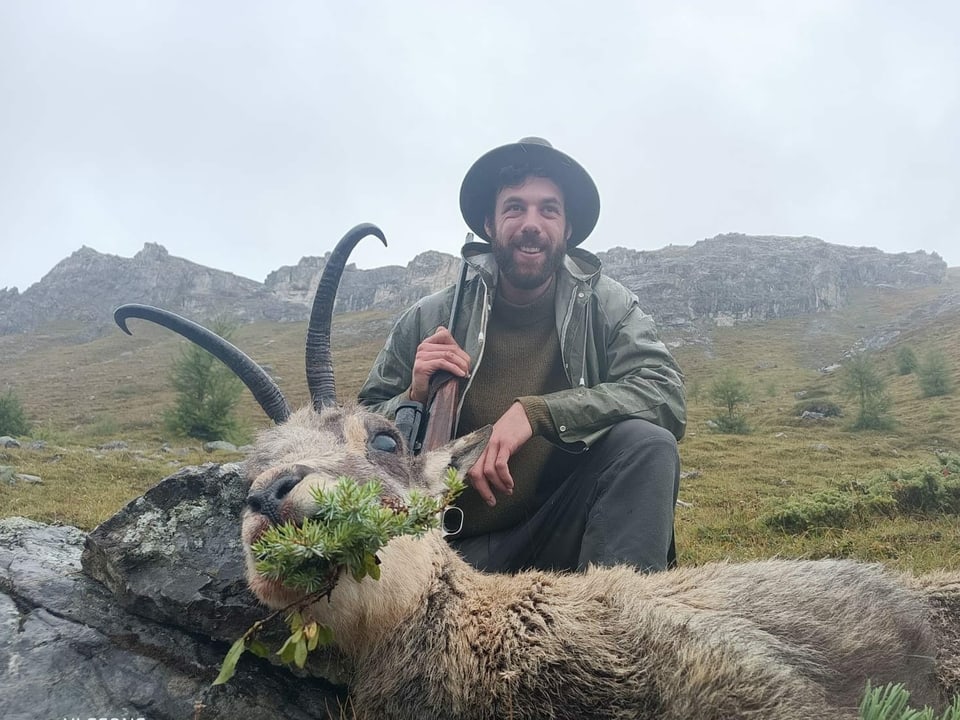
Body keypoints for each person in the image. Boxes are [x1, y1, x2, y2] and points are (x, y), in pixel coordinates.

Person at [358, 137, 686, 573]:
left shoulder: (607, 306)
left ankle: (626, 623)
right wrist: (412, 398)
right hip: (448, 551)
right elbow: (356, 427)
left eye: (548, 209)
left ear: (567, 229)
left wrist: (537, 414)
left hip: (561, 532)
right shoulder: (429, 316)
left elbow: (664, 395)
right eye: (514, 208)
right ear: (489, 225)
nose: (532, 223)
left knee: (647, 444)